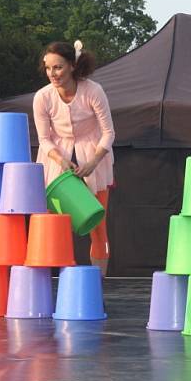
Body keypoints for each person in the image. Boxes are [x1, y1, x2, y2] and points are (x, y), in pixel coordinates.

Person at [33, 40, 115, 277]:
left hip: (93, 156)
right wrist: (61, 160)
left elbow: (109, 132)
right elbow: (44, 138)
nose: (52, 74)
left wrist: (93, 162)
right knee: (53, 224)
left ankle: (97, 283)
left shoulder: (93, 90)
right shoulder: (43, 97)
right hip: (56, 159)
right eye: (48, 68)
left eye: (57, 67)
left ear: (71, 65)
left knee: (98, 226)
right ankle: (50, 282)